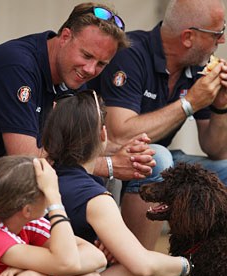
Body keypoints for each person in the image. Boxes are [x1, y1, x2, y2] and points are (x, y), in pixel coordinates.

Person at [88, 0, 227, 249]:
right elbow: (119, 135)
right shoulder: (130, 53)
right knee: (158, 157)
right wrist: (189, 104)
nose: (222, 41)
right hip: (112, 159)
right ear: (188, 37)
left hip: (162, 163)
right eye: (218, 33)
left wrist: (220, 106)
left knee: (223, 170)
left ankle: (206, 269)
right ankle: (136, 268)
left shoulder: (198, 68)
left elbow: (215, 149)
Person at [42, 90, 192, 276]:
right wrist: (184, 266)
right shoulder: (94, 197)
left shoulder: (42, 176)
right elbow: (143, 265)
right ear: (103, 135)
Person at [0, 2, 155, 182]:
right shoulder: (17, 66)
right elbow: (28, 164)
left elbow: (77, 147)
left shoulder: (72, 75)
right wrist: (109, 166)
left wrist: (128, 153)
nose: (90, 70)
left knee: (151, 159)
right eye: (87, 55)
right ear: (65, 37)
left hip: (14, 180)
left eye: (101, 64)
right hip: (1, 177)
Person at [0, 155, 107, 276]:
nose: (54, 194)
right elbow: (66, 263)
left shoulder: (27, 223)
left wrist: (31, 266)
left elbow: (96, 256)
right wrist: (55, 201)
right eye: (46, 192)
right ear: (27, 210)